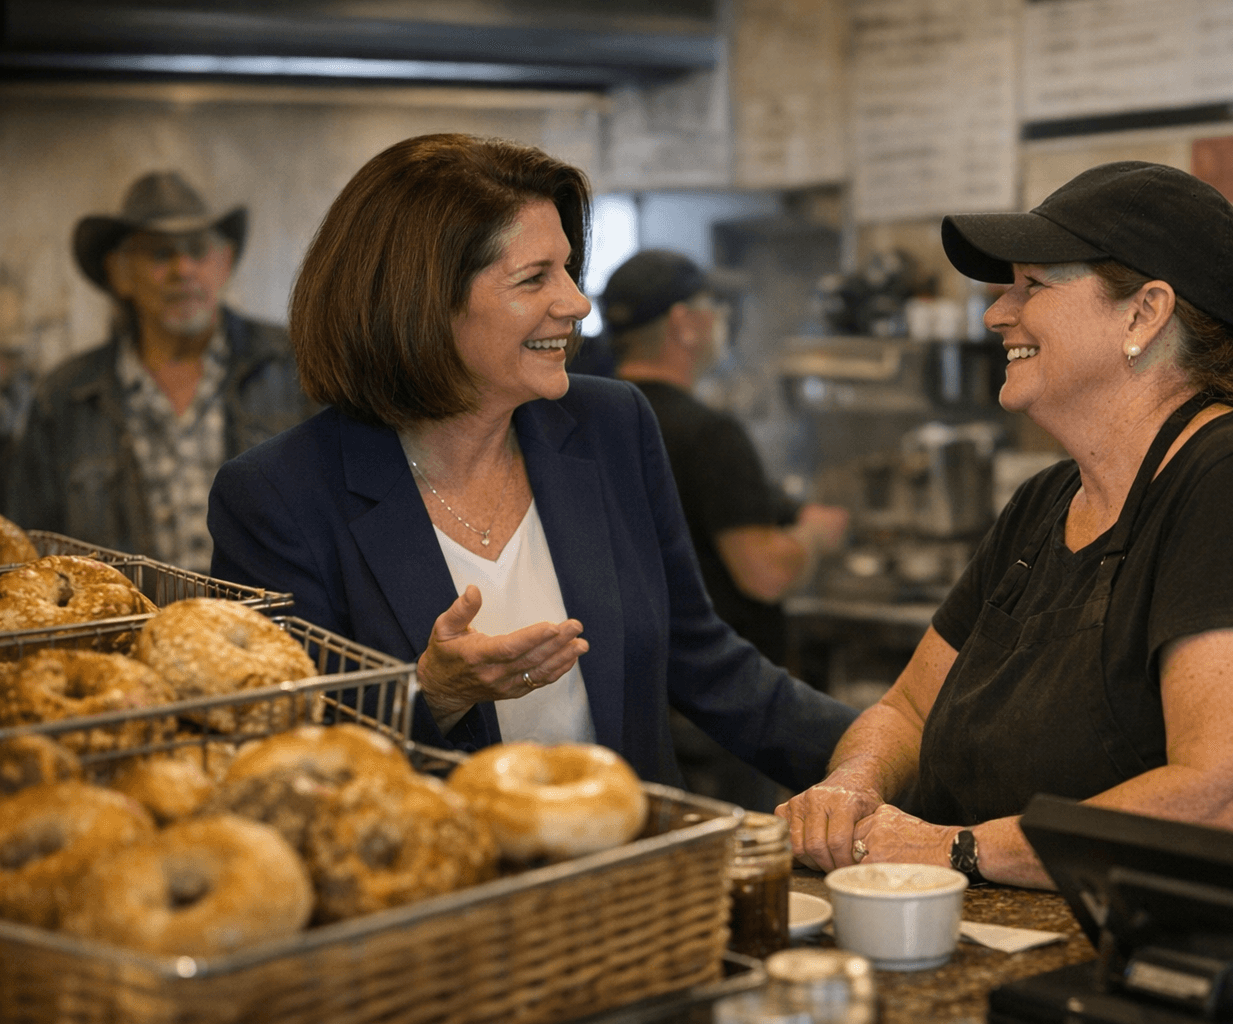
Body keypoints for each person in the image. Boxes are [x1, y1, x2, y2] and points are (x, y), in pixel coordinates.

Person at [778, 161, 1233, 1004]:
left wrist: (953, 850)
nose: (996, 311)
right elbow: (906, 708)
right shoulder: (1046, 503)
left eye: (1034, 284)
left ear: (1145, 313)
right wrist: (852, 784)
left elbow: (1229, 793)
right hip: (1104, 958)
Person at [206, 133, 856, 793]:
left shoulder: (612, 427)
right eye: (534, 278)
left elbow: (701, 659)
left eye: (569, 269)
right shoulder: (277, 496)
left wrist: (873, 751)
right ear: (424, 304)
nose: (576, 303)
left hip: (630, 880)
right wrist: (429, 694)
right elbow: (282, 760)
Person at [605, 249, 850, 808]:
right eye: (711, 306)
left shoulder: (596, 420)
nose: (720, 319)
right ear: (682, 324)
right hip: (724, 705)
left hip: (643, 694)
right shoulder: (708, 434)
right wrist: (813, 535)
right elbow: (762, 573)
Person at [6, 171, 314, 570]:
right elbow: (27, 553)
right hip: (123, 626)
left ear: (224, 263)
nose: (182, 269)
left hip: (273, 623)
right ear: (119, 273)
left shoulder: (295, 366)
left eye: (198, 250)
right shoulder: (63, 399)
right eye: (159, 254)